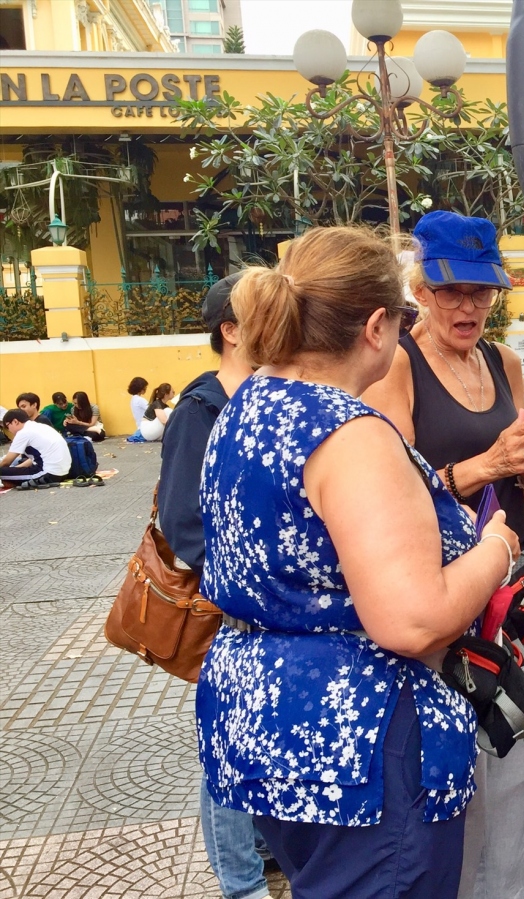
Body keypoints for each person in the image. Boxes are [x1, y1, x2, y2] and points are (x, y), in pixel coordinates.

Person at [196, 226, 520, 899]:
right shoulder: (349, 432)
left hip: (263, 717)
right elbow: (412, 617)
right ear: (378, 325)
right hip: (359, 743)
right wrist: (496, 548)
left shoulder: (248, 402)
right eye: (406, 315)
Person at [362, 210, 524, 899]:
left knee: (517, 788)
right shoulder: (398, 369)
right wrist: (484, 464)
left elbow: (513, 470)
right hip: (447, 614)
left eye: (481, 291)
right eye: (450, 290)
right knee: (456, 799)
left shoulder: (502, 361)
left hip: (519, 602)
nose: (467, 305)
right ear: (420, 287)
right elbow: (393, 494)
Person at [156, 272, 270, 899]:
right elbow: (181, 521)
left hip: (263, 608)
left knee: (256, 739)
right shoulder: (201, 410)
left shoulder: (268, 398)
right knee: (229, 750)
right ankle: (241, 883)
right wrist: (243, 585)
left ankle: (259, 847)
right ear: (230, 331)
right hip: (231, 607)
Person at [0, 409, 73, 488]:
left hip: (47, 474)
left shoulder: (23, 432)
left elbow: (6, 462)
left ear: (15, 421)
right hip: (62, 473)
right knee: (11, 471)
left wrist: (10, 470)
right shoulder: (40, 426)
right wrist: (15, 470)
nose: (9, 430)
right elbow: (34, 458)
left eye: (8, 426)